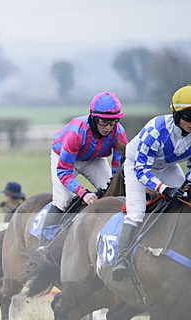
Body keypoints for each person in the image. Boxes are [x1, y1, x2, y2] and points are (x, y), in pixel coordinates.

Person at [111, 84, 191, 281]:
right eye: (189, 116)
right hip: (137, 165)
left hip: (168, 166)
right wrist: (164, 189)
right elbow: (142, 170)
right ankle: (120, 260)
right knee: (136, 212)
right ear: (176, 114)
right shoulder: (157, 129)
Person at [39, 92, 128, 248]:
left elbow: (119, 164)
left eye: (113, 122)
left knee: (115, 195)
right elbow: (64, 171)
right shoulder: (77, 132)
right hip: (65, 160)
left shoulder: (118, 131)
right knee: (63, 200)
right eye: (104, 122)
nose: (108, 128)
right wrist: (83, 193)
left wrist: (114, 184)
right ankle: (44, 245)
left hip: (94, 159)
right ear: (93, 118)